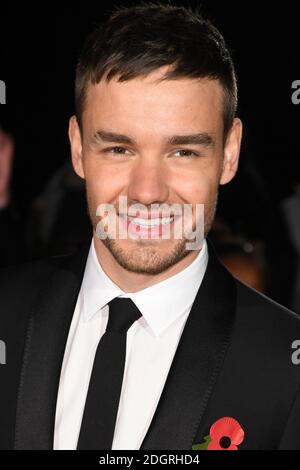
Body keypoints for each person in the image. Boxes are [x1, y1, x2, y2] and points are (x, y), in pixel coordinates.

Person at [0, 3, 299, 450]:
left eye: (183, 152)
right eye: (119, 149)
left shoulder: (287, 367)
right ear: (78, 148)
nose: (147, 191)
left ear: (230, 152)